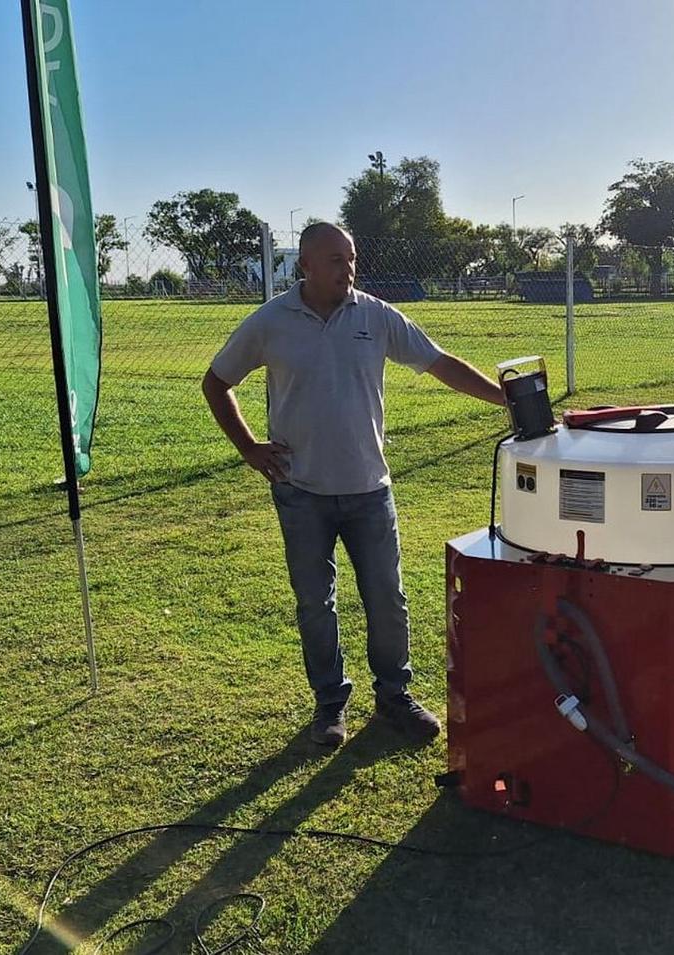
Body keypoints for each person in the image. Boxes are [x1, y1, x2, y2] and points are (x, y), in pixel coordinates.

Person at [202, 222, 504, 748]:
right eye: (337, 260)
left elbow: (439, 364)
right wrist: (249, 448)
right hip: (301, 492)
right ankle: (329, 706)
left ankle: (394, 698)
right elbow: (217, 381)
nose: (349, 269)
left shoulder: (375, 315)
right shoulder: (271, 321)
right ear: (306, 266)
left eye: (352, 258)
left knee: (387, 598)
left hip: (369, 488)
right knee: (315, 602)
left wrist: (506, 399)